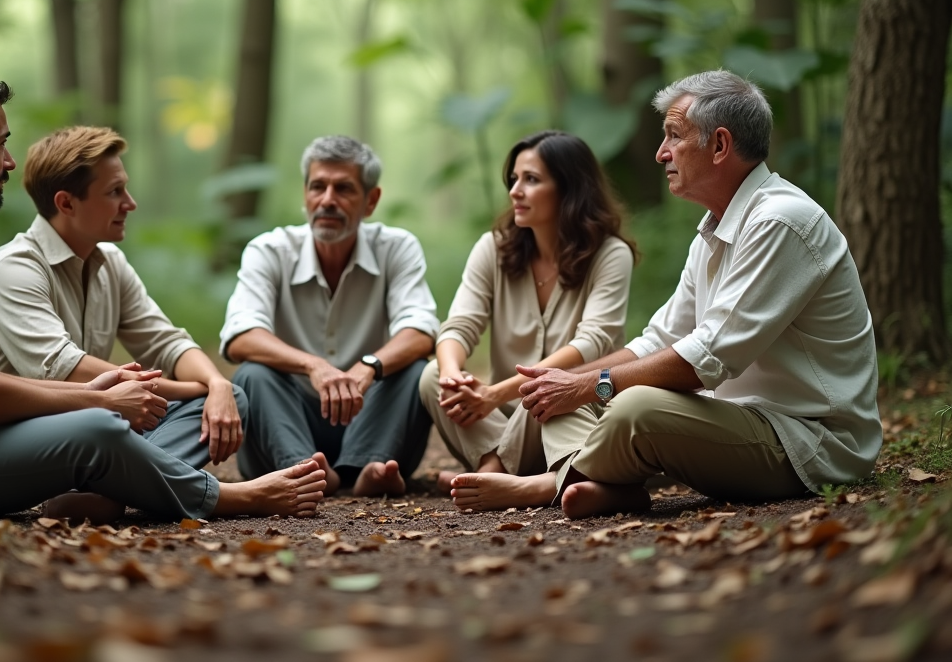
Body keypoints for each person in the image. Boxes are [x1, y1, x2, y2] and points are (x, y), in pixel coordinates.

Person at [0, 70, 325, 521]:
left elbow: (163, 342)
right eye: (0, 144)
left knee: (114, 418)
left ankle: (123, 487)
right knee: (101, 429)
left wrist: (202, 388)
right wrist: (100, 399)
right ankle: (232, 497)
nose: (8, 161)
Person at [515, 70, 882, 519]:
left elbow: (705, 359)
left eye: (673, 135)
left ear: (720, 145)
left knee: (632, 405)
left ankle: (550, 483)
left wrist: (589, 385)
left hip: (809, 443)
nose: (660, 153)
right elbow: (657, 341)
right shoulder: (714, 227)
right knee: (572, 401)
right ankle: (610, 485)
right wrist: (567, 386)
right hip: (732, 422)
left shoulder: (780, 220)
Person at [0, 126, 245, 476]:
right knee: (132, 419)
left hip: (93, 420)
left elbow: (165, 342)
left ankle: (117, 485)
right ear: (66, 203)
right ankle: (131, 479)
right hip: (30, 432)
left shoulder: (110, 263)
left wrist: (217, 385)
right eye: (114, 191)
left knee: (234, 398)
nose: (130, 203)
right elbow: (68, 371)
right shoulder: (15, 269)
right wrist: (196, 390)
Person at [420, 131, 636, 511]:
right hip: (512, 418)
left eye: (531, 180)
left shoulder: (610, 254)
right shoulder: (494, 247)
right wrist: (454, 375)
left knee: (553, 392)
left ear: (570, 189)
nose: (515, 191)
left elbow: (592, 344)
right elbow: (459, 325)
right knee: (431, 375)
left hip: (579, 406)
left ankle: (494, 466)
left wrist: (495, 394)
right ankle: (529, 473)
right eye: (514, 179)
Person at [221, 135, 440, 497]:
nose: (327, 200)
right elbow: (241, 336)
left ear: (371, 201)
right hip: (287, 423)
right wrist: (313, 365)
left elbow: (421, 331)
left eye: (344, 189)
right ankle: (305, 469)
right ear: (305, 194)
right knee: (252, 374)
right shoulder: (269, 250)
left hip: (371, 418)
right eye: (318, 186)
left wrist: (368, 366)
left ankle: (365, 468)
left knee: (416, 370)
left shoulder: (397, 247)